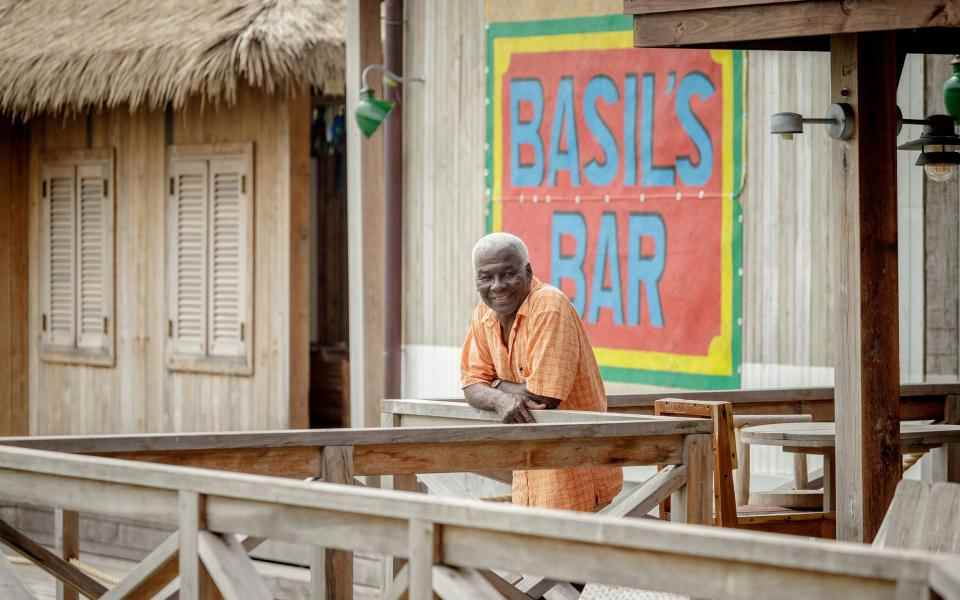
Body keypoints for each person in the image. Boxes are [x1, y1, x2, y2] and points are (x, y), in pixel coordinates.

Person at [460, 232, 623, 511]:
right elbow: (470, 384)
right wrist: (501, 400)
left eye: (508, 274)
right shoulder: (483, 314)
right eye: (486, 277)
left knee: (571, 551)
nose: (497, 286)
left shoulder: (549, 306)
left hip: (574, 467)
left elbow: (543, 398)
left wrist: (495, 384)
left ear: (528, 271)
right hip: (529, 469)